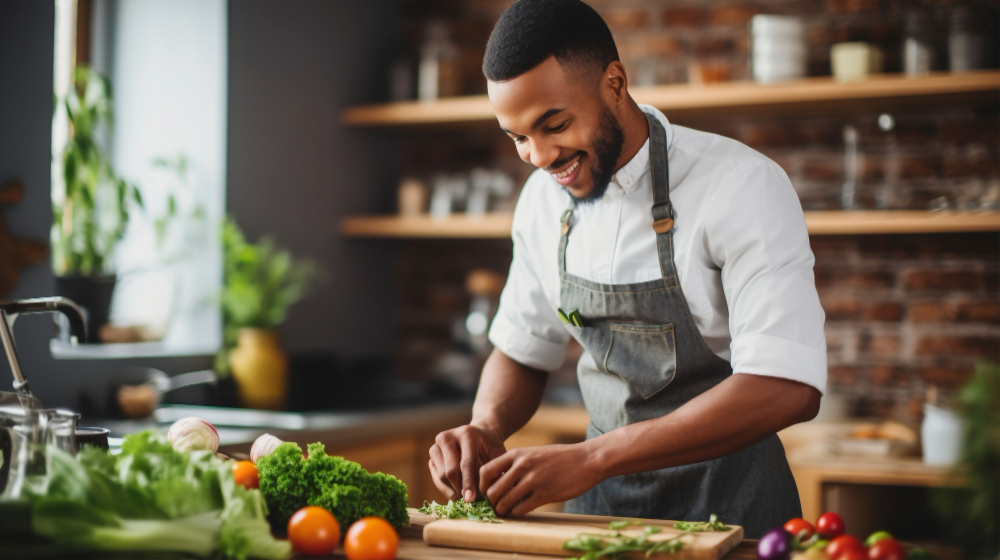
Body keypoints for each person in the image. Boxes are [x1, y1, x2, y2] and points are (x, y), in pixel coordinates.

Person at [427, 0, 826, 538]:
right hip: (600, 514)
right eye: (519, 137)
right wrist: (485, 425)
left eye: (554, 124)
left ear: (614, 82)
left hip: (735, 511)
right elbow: (523, 348)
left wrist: (592, 457)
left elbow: (787, 387)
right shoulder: (542, 202)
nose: (540, 156)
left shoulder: (741, 186)